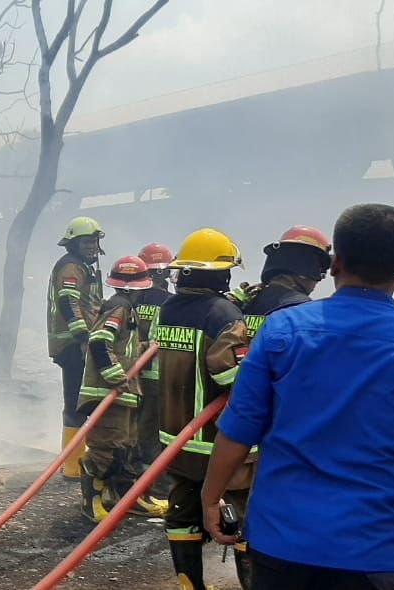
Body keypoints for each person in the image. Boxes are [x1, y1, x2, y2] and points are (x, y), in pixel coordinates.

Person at [203, 204, 394, 590]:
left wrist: (210, 498)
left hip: (280, 549)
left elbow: (238, 431)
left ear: (335, 263)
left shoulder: (282, 332)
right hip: (376, 556)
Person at [154, 228, 253, 590]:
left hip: (176, 438)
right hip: (215, 441)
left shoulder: (168, 309)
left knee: (183, 509)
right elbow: (229, 374)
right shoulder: (225, 315)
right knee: (244, 511)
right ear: (220, 274)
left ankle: (190, 585)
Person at [76, 255, 169, 522]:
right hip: (107, 392)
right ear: (135, 288)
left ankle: (124, 498)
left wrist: (146, 347)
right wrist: (114, 375)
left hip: (123, 394)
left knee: (124, 447)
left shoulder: (127, 307)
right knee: (105, 449)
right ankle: (91, 501)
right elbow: (99, 340)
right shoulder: (119, 307)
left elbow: (122, 347)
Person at [47, 216, 106, 479]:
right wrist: (83, 338)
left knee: (83, 402)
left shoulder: (83, 267)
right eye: (86, 242)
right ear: (73, 244)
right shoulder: (71, 267)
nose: (91, 246)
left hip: (80, 343)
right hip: (73, 345)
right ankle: (72, 466)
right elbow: (69, 303)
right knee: (75, 404)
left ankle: (80, 461)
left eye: (93, 241)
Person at [229, 225, 332, 339]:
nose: (319, 280)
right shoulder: (304, 312)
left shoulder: (244, 302)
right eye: (320, 271)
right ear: (308, 269)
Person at [134, 242, 174, 478]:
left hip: (130, 372)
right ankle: (154, 477)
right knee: (156, 426)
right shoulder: (170, 302)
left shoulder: (131, 297)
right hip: (158, 373)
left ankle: (135, 469)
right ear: (162, 272)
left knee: (137, 422)